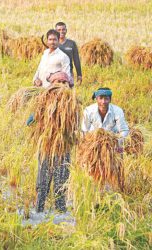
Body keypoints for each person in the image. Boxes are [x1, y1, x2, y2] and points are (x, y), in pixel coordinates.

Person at [28, 71, 73, 213]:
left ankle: (61, 214)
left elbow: (76, 127)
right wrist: (41, 113)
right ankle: (39, 211)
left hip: (63, 147)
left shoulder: (73, 103)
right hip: (46, 146)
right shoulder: (43, 101)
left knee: (61, 183)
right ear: (52, 85)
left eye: (63, 82)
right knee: (43, 183)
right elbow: (29, 122)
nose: (60, 85)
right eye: (57, 82)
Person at [82, 88, 129, 152]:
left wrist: (118, 143)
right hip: (94, 141)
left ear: (110, 100)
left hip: (112, 141)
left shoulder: (117, 111)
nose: (103, 102)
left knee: (115, 158)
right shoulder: (88, 111)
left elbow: (124, 130)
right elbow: (84, 130)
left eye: (106, 99)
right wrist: (87, 144)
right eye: (100, 98)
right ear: (96, 99)